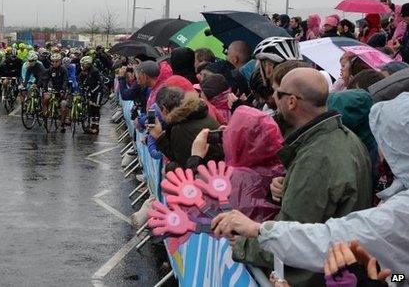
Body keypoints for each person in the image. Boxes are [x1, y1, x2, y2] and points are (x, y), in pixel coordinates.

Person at [210, 92, 409, 278]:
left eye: (383, 138)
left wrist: (259, 231)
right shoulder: (346, 142)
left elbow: (330, 239)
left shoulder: (400, 210)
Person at [230, 68, 373, 286]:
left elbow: (292, 236)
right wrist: (288, 184)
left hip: (320, 274)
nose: (273, 99)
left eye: (278, 94)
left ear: (292, 102)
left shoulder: (317, 158)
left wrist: (241, 244)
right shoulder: (343, 137)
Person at [148, 86, 222, 168]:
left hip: (207, 173)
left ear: (164, 109)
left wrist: (159, 136)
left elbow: (182, 162)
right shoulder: (198, 112)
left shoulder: (180, 129)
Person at [41, 53, 70, 133]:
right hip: (53, 89)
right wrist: (45, 89)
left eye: (56, 61)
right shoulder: (50, 69)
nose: (54, 63)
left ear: (60, 61)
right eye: (53, 62)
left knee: (63, 106)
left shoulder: (63, 70)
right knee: (45, 98)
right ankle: (45, 114)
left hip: (62, 90)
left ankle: (62, 124)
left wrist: (63, 90)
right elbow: (46, 79)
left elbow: (65, 80)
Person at [78, 56, 103, 134]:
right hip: (92, 92)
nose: (82, 66)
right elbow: (88, 81)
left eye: (83, 65)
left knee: (96, 108)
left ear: (88, 64)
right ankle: (92, 126)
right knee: (91, 109)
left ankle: (96, 127)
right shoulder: (88, 71)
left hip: (98, 92)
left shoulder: (94, 71)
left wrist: (92, 91)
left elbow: (100, 84)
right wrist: (85, 87)